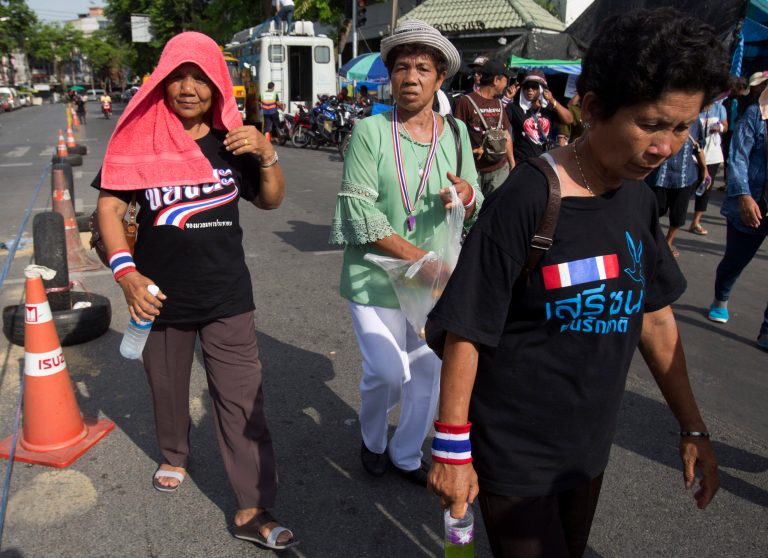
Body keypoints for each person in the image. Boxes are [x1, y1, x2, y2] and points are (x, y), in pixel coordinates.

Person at [426, 9, 726, 557]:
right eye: (651, 125)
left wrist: (694, 427)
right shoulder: (528, 198)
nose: (666, 147)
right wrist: (452, 449)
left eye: (682, 128)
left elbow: (654, 317)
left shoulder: (638, 197)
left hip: (585, 450)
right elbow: (466, 327)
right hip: (514, 452)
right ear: (591, 110)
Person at [93, 32, 296, 551]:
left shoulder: (233, 139)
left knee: (242, 400)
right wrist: (127, 275)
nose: (187, 88)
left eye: (200, 78)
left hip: (228, 293)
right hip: (157, 297)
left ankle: (252, 506)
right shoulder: (136, 138)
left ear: (217, 85)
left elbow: (270, 202)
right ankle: (174, 452)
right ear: (161, 82)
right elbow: (110, 210)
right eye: (177, 77)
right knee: (167, 386)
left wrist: (268, 154)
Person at [329, 19, 483, 487]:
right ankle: (373, 441)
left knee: (430, 376)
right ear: (389, 76)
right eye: (400, 67)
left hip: (434, 281)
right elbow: (359, 209)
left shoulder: (455, 134)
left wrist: (466, 195)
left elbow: (475, 193)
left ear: (439, 78)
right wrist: (417, 256)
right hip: (375, 278)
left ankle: (405, 453)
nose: (410, 77)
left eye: (422, 68)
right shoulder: (370, 131)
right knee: (387, 372)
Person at [707, 75, 768, 350]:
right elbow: (738, 156)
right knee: (735, 260)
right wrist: (743, 195)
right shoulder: (756, 114)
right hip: (752, 203)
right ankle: (721, 296)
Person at [645, 118, 707, 257]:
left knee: (678, 215)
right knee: (654, 210)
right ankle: (651, 240)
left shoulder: (695, 122)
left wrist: (704, 169)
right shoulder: (663, 117)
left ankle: (668, 243)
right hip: (660, 175)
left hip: (684, 176)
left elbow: (699, 146)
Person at [454, 59, 516, 196]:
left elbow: (506, 134)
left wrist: (512, 162)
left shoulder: (499, 104)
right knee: (473, 211)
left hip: (499, 170)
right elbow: (457, 136)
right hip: (474, 170)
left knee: (494, 209)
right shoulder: (466, 102)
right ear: (496, 80)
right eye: (506, 79)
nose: (507, 84)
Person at [505, 70, 573, 163]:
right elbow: (498, 120)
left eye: (534, 86)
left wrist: (552, 100)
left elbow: (569, 119)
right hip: (522, 162)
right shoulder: (515, 108)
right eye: (526, 86)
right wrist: (506, 99)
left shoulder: (548, 108)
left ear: (542, 89)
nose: (530, 90)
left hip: (545, 161)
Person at [690, 100, 728, 235]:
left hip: (712, 155)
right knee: (689, 187)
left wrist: (720, 128)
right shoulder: (695, 106)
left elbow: (725, 125)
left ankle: (696, 222)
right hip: (694, 155)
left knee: (705, 188)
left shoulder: (719, 108)